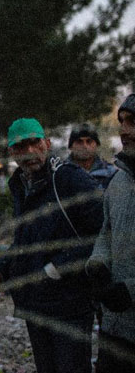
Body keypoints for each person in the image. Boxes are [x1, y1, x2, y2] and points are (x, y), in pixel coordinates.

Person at [0, 118, 103, 373]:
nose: (29, 152)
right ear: (12, 152)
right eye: (20, 147)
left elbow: (102, 234)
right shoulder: (19, 184)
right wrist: (1, 269)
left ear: (46, 143)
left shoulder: (69, 179)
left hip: (70, 303)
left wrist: (57, 268)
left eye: (34, 143)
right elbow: (23, 239)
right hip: (35, 303)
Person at [85, 94, 135, 372]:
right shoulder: (118, 181)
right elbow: (106, 231)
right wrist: (98, 264)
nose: (124, 130)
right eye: (122, 121)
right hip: (114, 329)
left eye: (133, 122)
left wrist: (130, 290)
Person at [67, 123, 117, 189]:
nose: (85, 146)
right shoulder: (61, 173)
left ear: (97, 145)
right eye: (79, 142)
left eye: (89, 141)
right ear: (71, 147)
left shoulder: (111, 173)